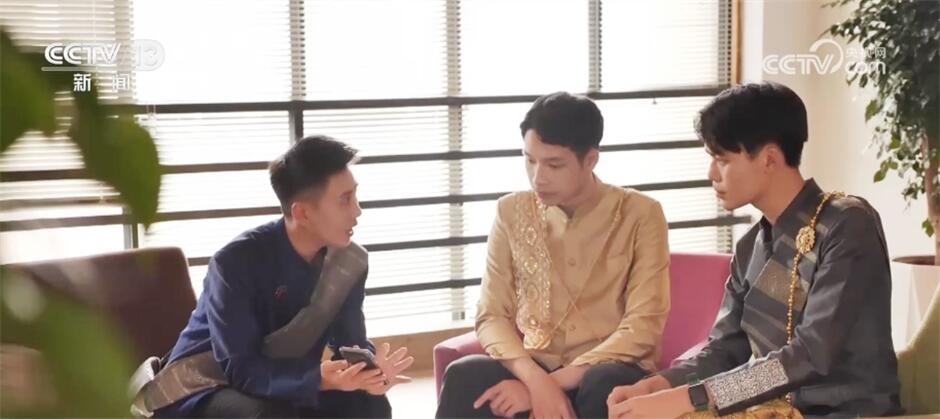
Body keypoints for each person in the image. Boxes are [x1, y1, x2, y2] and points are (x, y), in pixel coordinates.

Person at [607, 82, 902, 418]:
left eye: (722, 159)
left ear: (769, 159)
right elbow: (724, 348)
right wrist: (658, 385)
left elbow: (811, 352)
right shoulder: (750, 246)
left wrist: (690, 399)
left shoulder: (846, 224)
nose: (711, 174)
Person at [436, 92, 671, 419]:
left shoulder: (640, 214)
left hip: (609, 368)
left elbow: (644, 326)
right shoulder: (511, 211)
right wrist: (535, 380)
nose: (538, 177)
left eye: (554, 165)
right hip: (537, 364)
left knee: (604, 384)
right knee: (466, 375)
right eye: (529, 160)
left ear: (590, 160)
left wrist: (551, 385)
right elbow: (491, 315)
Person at [150, 135, 413, 418]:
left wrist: (371, 372)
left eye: (355, 196)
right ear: (302, 213)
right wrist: (317, 379)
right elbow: (241, 370)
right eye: (345, 200)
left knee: (369, 404)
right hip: (205, 387)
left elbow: (350, 343)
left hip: (281, 383)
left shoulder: (350, 262)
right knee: (271, 415)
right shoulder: (234, 263)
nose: (357, 210)